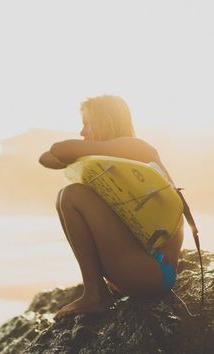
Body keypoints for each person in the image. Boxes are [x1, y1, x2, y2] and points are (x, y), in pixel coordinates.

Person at [39, 95, 184, 320]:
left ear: (106, 121)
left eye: (87, 123)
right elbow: (47, 159)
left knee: (72, 195)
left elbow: (59, 149)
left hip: (154, 271)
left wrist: (84, 148)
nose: (82, 132)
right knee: (65, 197)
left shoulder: (135, 147)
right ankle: (98, 292)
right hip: (137, 269)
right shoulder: (108, 159)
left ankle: (94, 295)